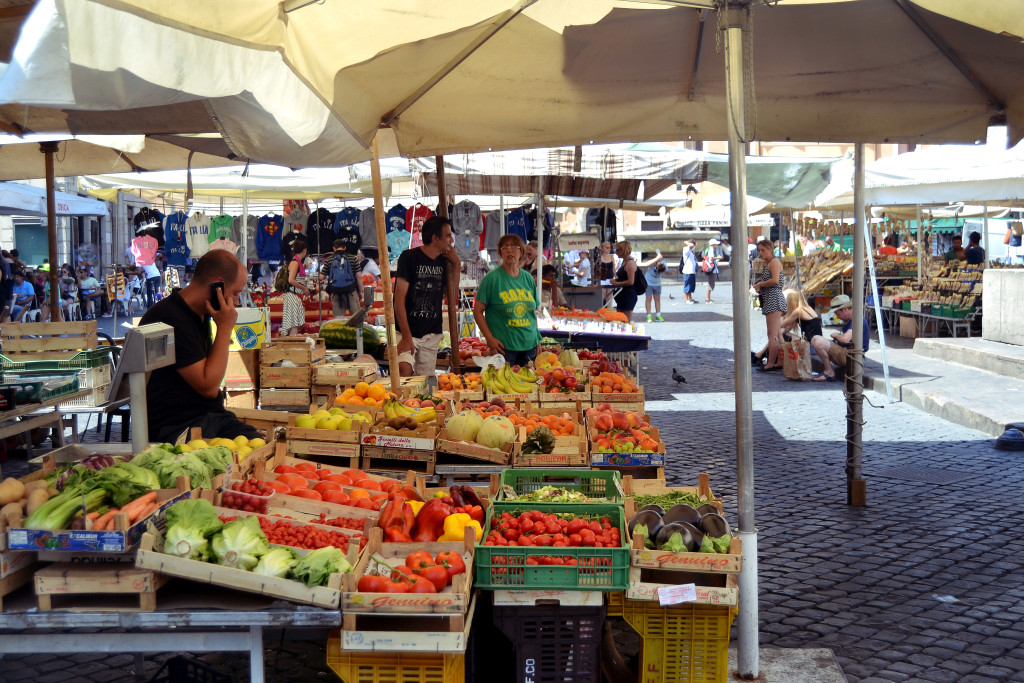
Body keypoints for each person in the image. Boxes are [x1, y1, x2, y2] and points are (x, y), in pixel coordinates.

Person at [139, 250, 261, 443]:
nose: (237, 301)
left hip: (206, 418)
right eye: (236, 293)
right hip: (177, 427)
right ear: (217, 286)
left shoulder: (199, 312)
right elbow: (208, 386)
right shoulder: (171, 318)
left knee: (258, 443)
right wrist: (225, 327)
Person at [394, 215, 461, 376]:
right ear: (435, 238)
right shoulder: (409, 257)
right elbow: (398, 299)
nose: (451, 240)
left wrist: (457, 265)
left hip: (432, 333)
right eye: (448, 235)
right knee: (404, 369)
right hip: (407, 331)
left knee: (423, 382)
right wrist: (406, 337)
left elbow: (452, 298)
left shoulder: (445, 261)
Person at [474, 234, 541, 365]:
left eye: (514, 247)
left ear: (521, 251)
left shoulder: (528, 278)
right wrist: (490, 338)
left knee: (529, 384)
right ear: (500, 252)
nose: (509, 250)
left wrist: (537, 338)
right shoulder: (491, 278)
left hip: (530, 345)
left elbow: (532, 313)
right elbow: (477, 311)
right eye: (505, 248)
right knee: (505, 385)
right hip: (505, 348)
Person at [810, 294, 870, 383]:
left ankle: (829, 372)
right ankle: (829, 370)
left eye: (838, 314)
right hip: (849, 354)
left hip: (854, 357)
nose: (838, 317)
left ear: (845, 309)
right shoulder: (852, 320)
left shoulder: (858, 320)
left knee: (817, 340)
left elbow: (845, 338)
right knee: (817, 340)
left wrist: (836, 335)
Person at [751, 239, 786, 372]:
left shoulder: (774, 262)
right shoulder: (770, 263)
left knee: (772, 334)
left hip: (774, 299)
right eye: (759, 250)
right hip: (772, 298)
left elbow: (775, 280)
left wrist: (760, 285)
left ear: (770, 249)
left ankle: (771, 363)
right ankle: (781, 361)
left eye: (763, 250)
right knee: (777, 334)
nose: (760, 253)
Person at [319, 239, 362, 316]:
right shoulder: (353, 258)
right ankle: (357, 328)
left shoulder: (329, 259)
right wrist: (361, 291)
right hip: (351, 291)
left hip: (336, 292)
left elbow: (321, 277)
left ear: (334, 248)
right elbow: (359, 276)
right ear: (345, 248)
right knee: (356, 317)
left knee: (339, 319)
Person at [281, 238, 311, 336]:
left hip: (296, 296)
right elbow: (291, 280)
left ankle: (292, 345)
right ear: (304, 250)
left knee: (295, 323)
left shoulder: (298, 262)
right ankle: (292, 346)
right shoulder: (295, 263)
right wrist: (304, 288)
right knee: (293, 324)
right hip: (293, 296)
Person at [609, 241, 639, 322]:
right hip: (622, 294)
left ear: (623, 250)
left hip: (628, 294)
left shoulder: (630, 263)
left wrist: (616, 283)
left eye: (618, 250)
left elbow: (631, 281)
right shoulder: (624, 262)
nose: (616, 252)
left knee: (627, 319)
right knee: (621, 318)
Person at [639, 251, 664, 322]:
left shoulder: (662, 263)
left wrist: (671, 272)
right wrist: (657, 257)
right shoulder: (653, 262)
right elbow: (647, 264)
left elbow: (666, 271)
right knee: (648, 299)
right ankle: (649, 316)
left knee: (657, 299)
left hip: (657, 284)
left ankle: (658, 315)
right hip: (648, 283)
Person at [701, 238, 723, 303]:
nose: (717, 245)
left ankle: (708, 298)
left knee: (710, 282)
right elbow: (711, 258)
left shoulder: (710, 249)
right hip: (711, 268)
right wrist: (718, 257)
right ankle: (707, 298)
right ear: (713, 244)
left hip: (711, 268)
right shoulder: (711, 249)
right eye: (716, 244)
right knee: (710, 283)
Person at [678, 240, 697, 304]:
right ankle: (686, 300)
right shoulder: (686, 249)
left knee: (691, 286)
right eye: (694, 244)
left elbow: (693, 245)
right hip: (687, 271)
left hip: (692, 271)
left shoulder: (691, 251)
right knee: (687, 285)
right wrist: (687, 242)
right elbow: (691, 245)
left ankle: (690, 298)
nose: (694, 246)